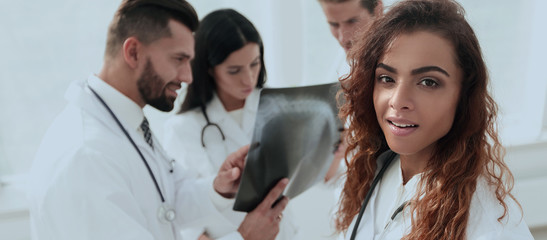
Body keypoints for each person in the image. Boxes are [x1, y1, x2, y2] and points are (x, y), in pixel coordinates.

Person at [27, 1, 289, 240]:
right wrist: (244, 238)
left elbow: (167, 200)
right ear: (133, 52)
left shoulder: (127, 125)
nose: (188, 76)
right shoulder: (86, 156)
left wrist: (219, 187)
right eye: (179, 59)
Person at [335, 0, 534, 239]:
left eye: (428, 82)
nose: (398, 101)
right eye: (387, 78)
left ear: (463, 95)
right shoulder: (375, 169)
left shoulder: (490, 227)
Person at [162, 9, 297, 240]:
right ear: (208, 68)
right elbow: (183, 223)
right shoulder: (183, 129)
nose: (248, 79)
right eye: (234, 70)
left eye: (254, 64)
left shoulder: (279, 107)